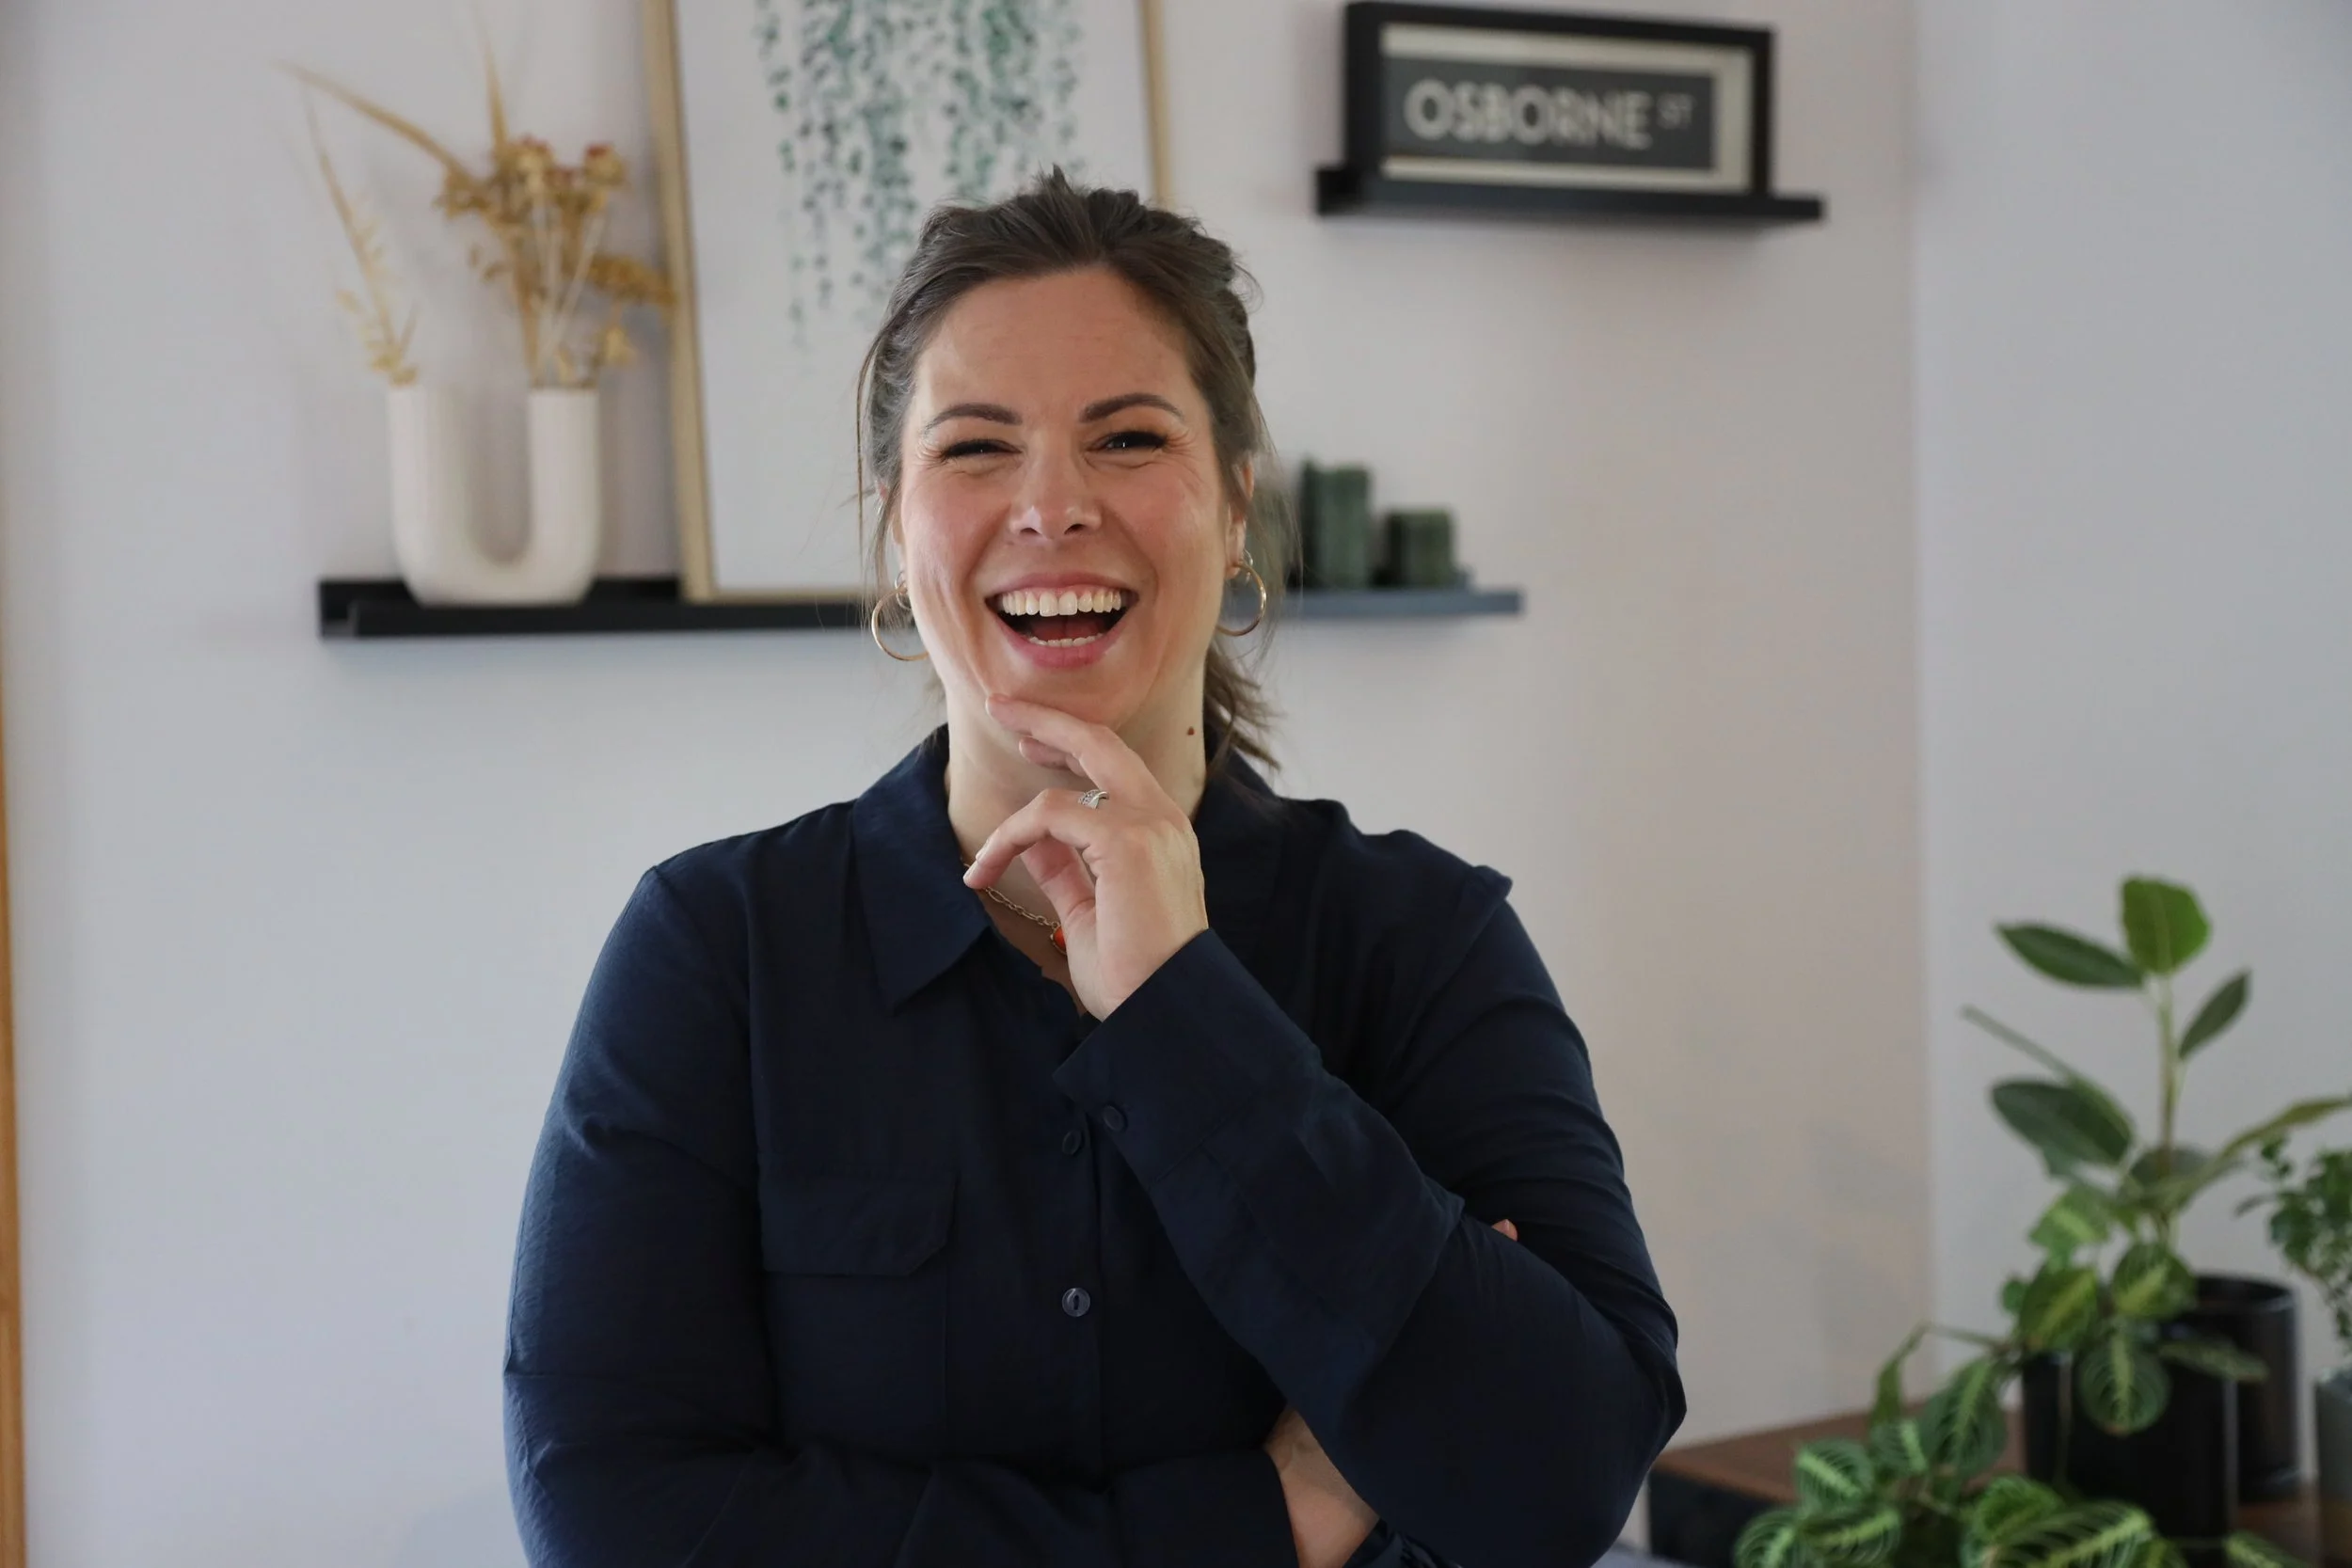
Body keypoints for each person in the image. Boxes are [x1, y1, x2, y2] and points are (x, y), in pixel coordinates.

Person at [503, 170, 1684, 1568]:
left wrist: (1186, 1009)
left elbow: (1556, 1475)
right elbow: (614, 1522)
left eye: (1126, 437)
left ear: (1237, 509)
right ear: (899, 530)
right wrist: (1263, 1523)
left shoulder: (1422, 936)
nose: (1052, 506)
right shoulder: (718, 948)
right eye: (977, 449)